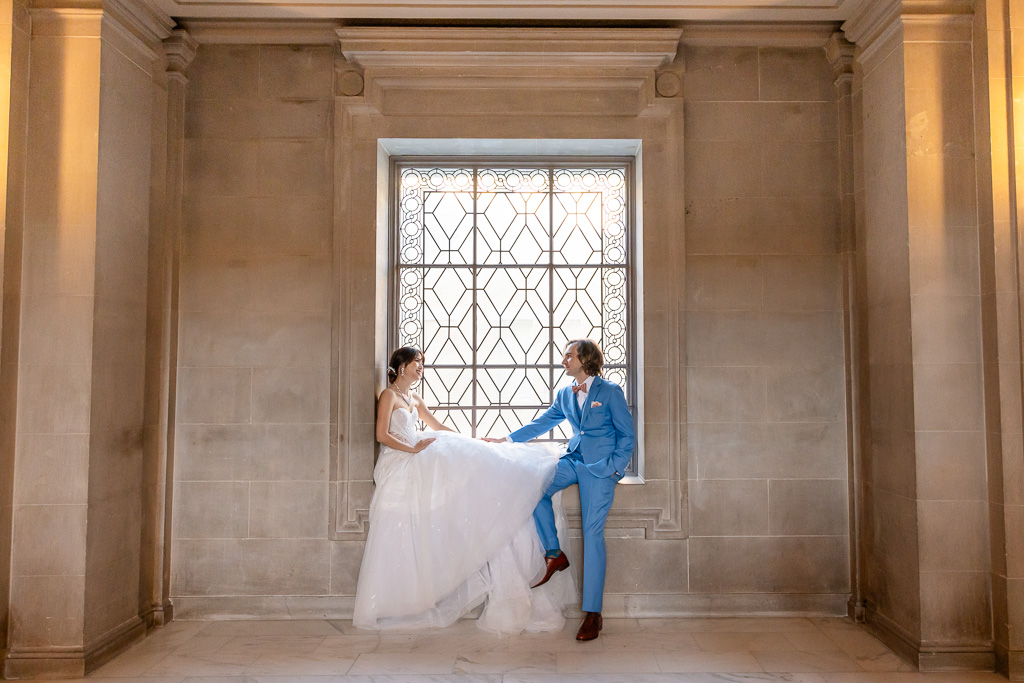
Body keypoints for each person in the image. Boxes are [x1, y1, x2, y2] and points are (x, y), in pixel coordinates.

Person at [352, 346, 575, 633]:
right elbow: (382, 435)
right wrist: (413, 448)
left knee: (455, 449)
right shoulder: (389, 395)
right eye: (417, 362)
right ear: (402, 365)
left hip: (416, 450)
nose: (421, 367)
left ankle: (496, 460)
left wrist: (471, 442)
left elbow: (437, 425)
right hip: (398, 460)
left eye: (422, 363)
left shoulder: (414, 397)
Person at [485, 339, 635, 641]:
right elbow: (541, 424)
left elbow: (627, 434)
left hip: (601, 468)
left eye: (569, 355)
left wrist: (615, 469)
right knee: (534, 487)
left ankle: (593, 614)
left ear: (585, 359)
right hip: (573, 460)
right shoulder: (566, 394)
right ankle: (554, 553)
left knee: (593, 535)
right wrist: (507, 441)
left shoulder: (610, 391)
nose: (564, 360)